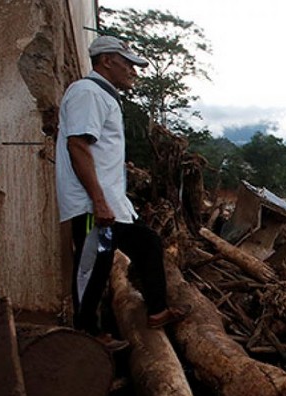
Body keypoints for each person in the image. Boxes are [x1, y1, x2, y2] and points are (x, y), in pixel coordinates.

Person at [55, 35, 188, 350]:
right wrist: (99, 201)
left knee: (146, 244)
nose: (134, 71)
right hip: (92, 207)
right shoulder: (87, 93)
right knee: (91, 267)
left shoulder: (103, 95)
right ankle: (87, 335)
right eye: (128, 63)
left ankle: (156, 311)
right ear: (106, 61)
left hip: (108, 204)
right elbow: (78, 146)